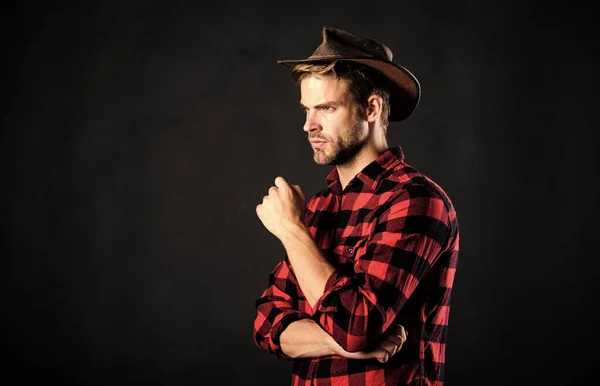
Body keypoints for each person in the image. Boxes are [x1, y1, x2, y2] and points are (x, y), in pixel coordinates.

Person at [252, 25, 459, 386]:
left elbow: (356, 325)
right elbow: (268, 323)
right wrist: (345, 345)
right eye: (306, 109)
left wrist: (289, 229)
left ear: (371, 108)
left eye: (326, 108)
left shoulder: (416, 201)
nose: (308, 125)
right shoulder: (320, 207)